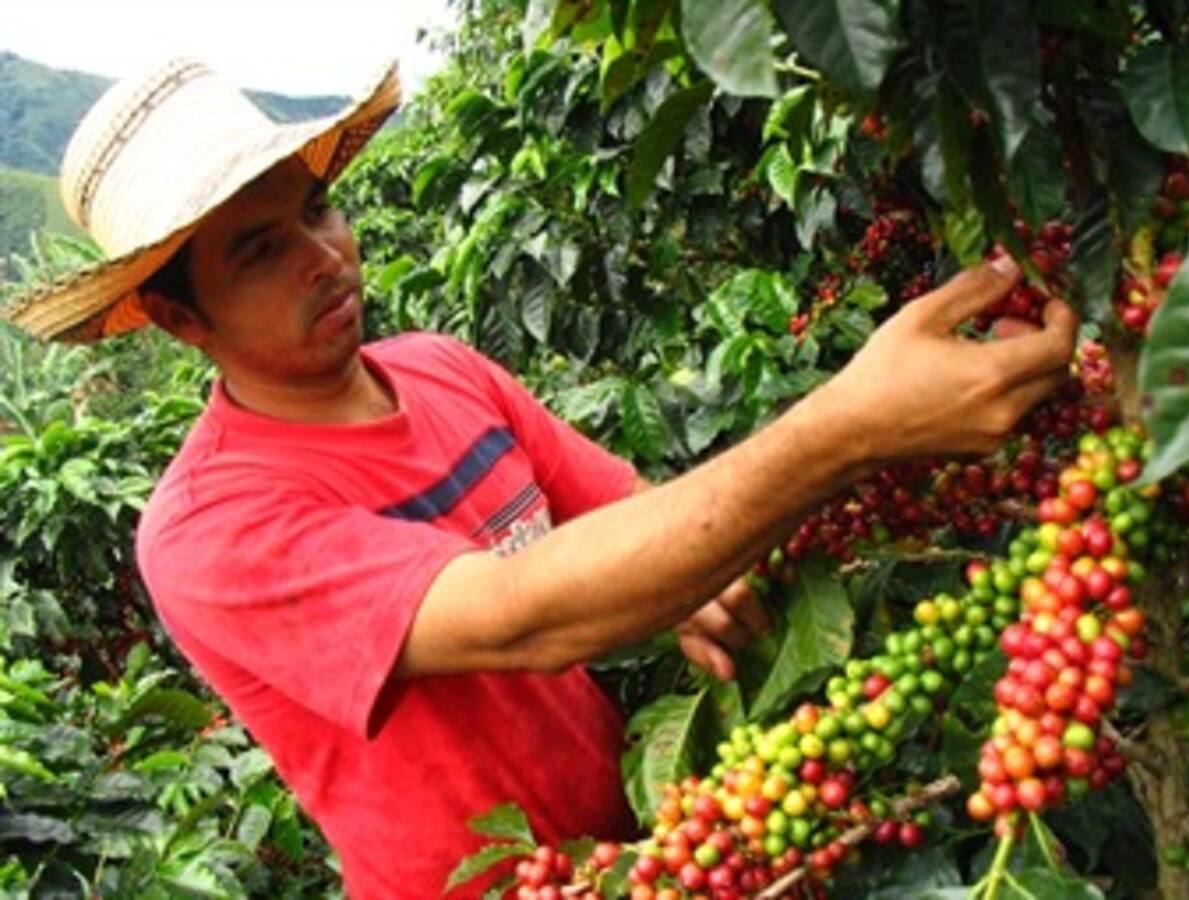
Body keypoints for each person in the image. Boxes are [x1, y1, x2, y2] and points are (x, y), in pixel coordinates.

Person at [2, 57, 1077, 898]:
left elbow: (633, 518)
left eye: (315, 213)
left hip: (649, 848)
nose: (323, 258)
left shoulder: (441, 368)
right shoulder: (210, 529)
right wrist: (848, 428)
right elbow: (520, 614)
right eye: (257, 252)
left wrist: (698, 577)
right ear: (181, 320)